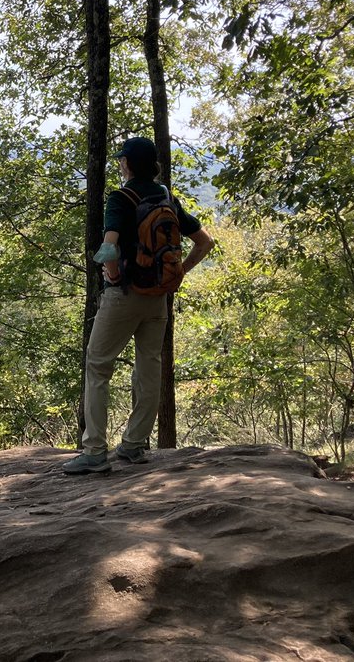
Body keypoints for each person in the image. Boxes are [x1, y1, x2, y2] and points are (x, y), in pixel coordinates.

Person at [63, 137, 214, 474]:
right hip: (158, 296)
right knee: (149, 369)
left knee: (98, 366)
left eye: (121, 161)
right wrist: (176, 275)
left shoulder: (121, 198)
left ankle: (94, 452)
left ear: (128, 164)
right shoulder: (165, 197)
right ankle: (133, 446)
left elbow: (108, 248)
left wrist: (113, 276)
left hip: (125, 295)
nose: (119, 165)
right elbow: (205, 242)